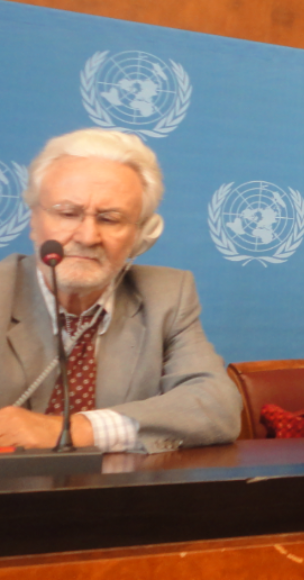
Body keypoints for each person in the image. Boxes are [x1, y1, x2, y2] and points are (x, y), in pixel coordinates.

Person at [0, 128, 242, 453]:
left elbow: (217, 408)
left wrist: (73, 429)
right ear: (33, 221)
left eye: (110, 219)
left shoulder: (167, 296)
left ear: (142, 235)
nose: (87, 237)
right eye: (68, 213)